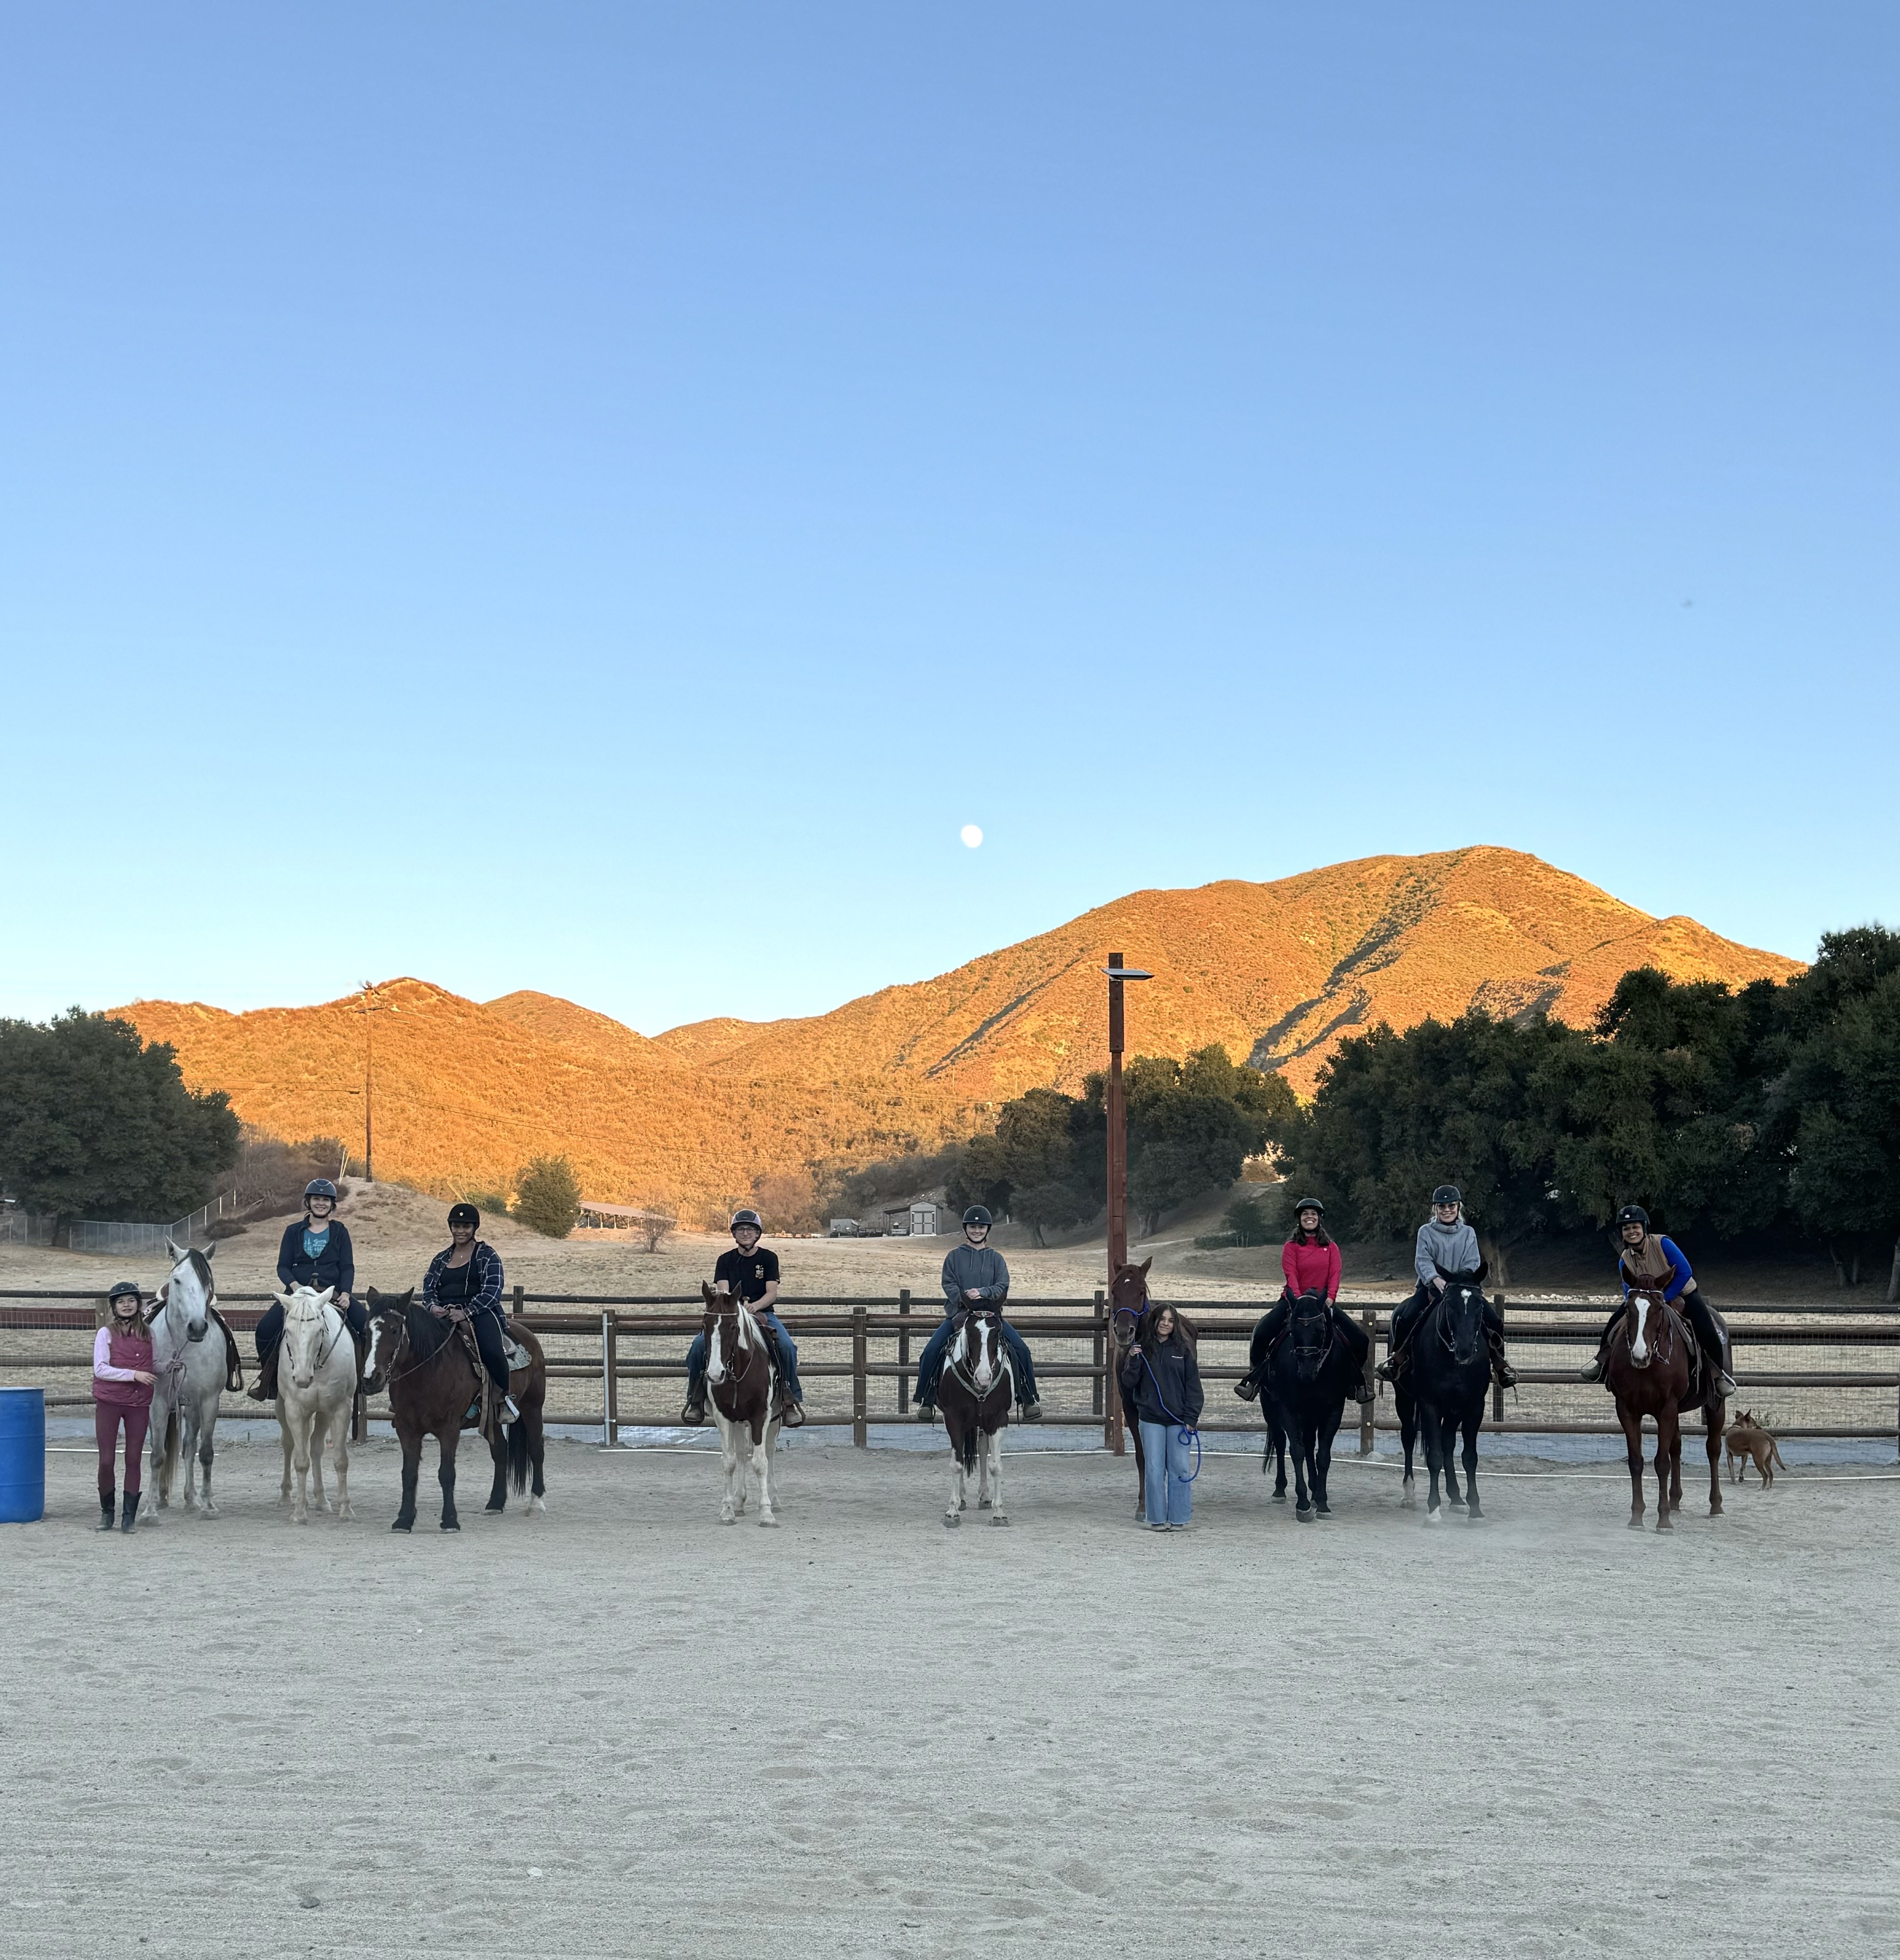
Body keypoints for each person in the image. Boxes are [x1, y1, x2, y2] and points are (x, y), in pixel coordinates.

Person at [1579, 1205, 1738, 1397]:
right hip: (1645, 1301)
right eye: (1626, 1229)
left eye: (1635, 1227)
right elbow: (1627, 1288)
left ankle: (1718, 1375)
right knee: (1613, 1325)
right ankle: (1602, 1365)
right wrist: (1631, 1304)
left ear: (1644, 1228)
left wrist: (1665, 1297)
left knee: (1705, 1327)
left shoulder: (1663, 1244)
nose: (1631, 1232)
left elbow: (1685, 1271)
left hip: (1681, 1293)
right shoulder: (1625, 1259)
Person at [1375, 1184, 1517, 1388]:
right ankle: (1397, 1361)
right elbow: (1422, 1260)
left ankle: (1500, 1366)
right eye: (1442, 1207)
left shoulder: (1468, 1233)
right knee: (1405, 1317)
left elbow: (1473, 1261)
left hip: (1461, 1290)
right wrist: (1435, 1278)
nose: (1447, 1210)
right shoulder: (1426, 1232)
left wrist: (1458, 1282)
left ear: (1459, 1208)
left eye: (1451, 1206)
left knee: (1494, 1320)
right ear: (1436, 1209)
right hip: (1432, 1288)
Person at [1234, 1199, 1373, 1405]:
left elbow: (1335, 1274)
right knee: (1262, 1333)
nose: (1310, 1217)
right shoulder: (1291, 1247)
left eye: (1314, 1214)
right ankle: (1255, 1381)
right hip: (1294, 1302)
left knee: (1361, 1340)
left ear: (1320, 1218)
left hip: (1322, 1303)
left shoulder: (1332, 1247)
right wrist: (1297, 1299)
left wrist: (1331, 1298)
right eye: (1305, 1213)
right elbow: (1291, 1274)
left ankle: (1356, 1384)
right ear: (1300, 1219)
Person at [914, 1207, 1043, 1419]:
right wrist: (965, 1298)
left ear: (987, 1230)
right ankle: (926, 1401)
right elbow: (948, 1283)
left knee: (1021, 1349)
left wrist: (982, 1293)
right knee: (930, 1351)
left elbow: (1002, 1285)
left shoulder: (997, 1259)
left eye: (981, 1227)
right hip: (960, 1316)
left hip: (991, 1318)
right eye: (973, 1227)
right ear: (966, 1229)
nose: (977, 1230)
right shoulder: (953, 1257)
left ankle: (1029, 1398)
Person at [680, 1210, 805, 1428]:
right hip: (731, 1315)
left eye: (750, 1230)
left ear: (758, 1234)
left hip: (762, 1313)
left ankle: (789, 1398)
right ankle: (696, 1399)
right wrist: (737, 1308)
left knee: (786, 1346)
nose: (745, 1233)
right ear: (734, 1234)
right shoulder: (725, 1260)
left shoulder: (768, 1258)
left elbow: (772, 1293)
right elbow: (723, 1292)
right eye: (741, 1229)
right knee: (699, 1346)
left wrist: (755, 1306)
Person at [247, 1179, 363, 1402]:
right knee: (264, 1330)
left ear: (332, 1205)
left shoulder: (340, 1231)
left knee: (366, 1324)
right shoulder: (293, 1232)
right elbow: (283, 1266)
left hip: (332, 1293)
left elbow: (347, 1266)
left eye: (326, 1200)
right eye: (316, 1199)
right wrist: (295, 1286)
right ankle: (269, 1379)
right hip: (297, 1293)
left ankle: (361, 1379)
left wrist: (347, 1293)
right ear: (308, 1202)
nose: (321, 1203)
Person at [422, 1203, 516, 1423]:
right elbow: (428, 1289)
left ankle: (503, 1398)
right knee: (416, 1346)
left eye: (465, 1226)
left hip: (480, 1311)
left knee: (492, 1350)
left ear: (474, 1228)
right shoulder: (441, 1258)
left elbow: (493, 1291)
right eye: (456, 1226)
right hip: (444, 1314)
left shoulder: (487, 1256)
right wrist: (432, 1307)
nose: (460, 1231)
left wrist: (467, 1312)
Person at [1120, 1303, 1202, 1530]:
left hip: (1178, 1421)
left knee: (1180, 1470)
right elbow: (1128, 1383)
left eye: (1171, 1320)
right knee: (1154, 1470)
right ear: (1155, 1321)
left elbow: (1193, 1386)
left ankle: (1179, 1518)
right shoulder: (1142, 1349)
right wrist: (1134, 1361)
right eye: (1163, 1319)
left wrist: (1191, 1418)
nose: (1166, 1324)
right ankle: (1156, 1518)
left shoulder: (1183, 1350)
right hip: (1151, 1419)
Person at [94, 1281, 157, 1533]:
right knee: (107, 1460)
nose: (127, 1305)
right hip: (109, 1402)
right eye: (121, 1302)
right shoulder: (105, 1334)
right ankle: (107, 1513)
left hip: (138, 1404)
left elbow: (155, 1364)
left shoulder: (150, 1334)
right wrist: (134, 1375)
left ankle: (128, 1517)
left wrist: (171, 1366)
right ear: (114, 1307)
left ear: (138, 1305)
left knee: (133, 1459)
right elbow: (101, 1369)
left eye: (131, 1301)